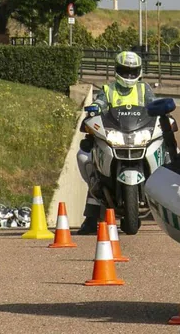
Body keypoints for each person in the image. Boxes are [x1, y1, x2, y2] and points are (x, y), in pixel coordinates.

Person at [76, 51, 156, 235]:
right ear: (117, 70)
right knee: (91, 162)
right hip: (115, 135)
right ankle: (90, 220)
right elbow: (100, 103)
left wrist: (161, 111)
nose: (128, 75)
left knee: (169, 150)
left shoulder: (145, 89)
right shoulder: (108, 89)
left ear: (139, 71)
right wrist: (95, 107)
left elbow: (153, 104)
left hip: (138, 134)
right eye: (124, 70)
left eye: (132, 71)